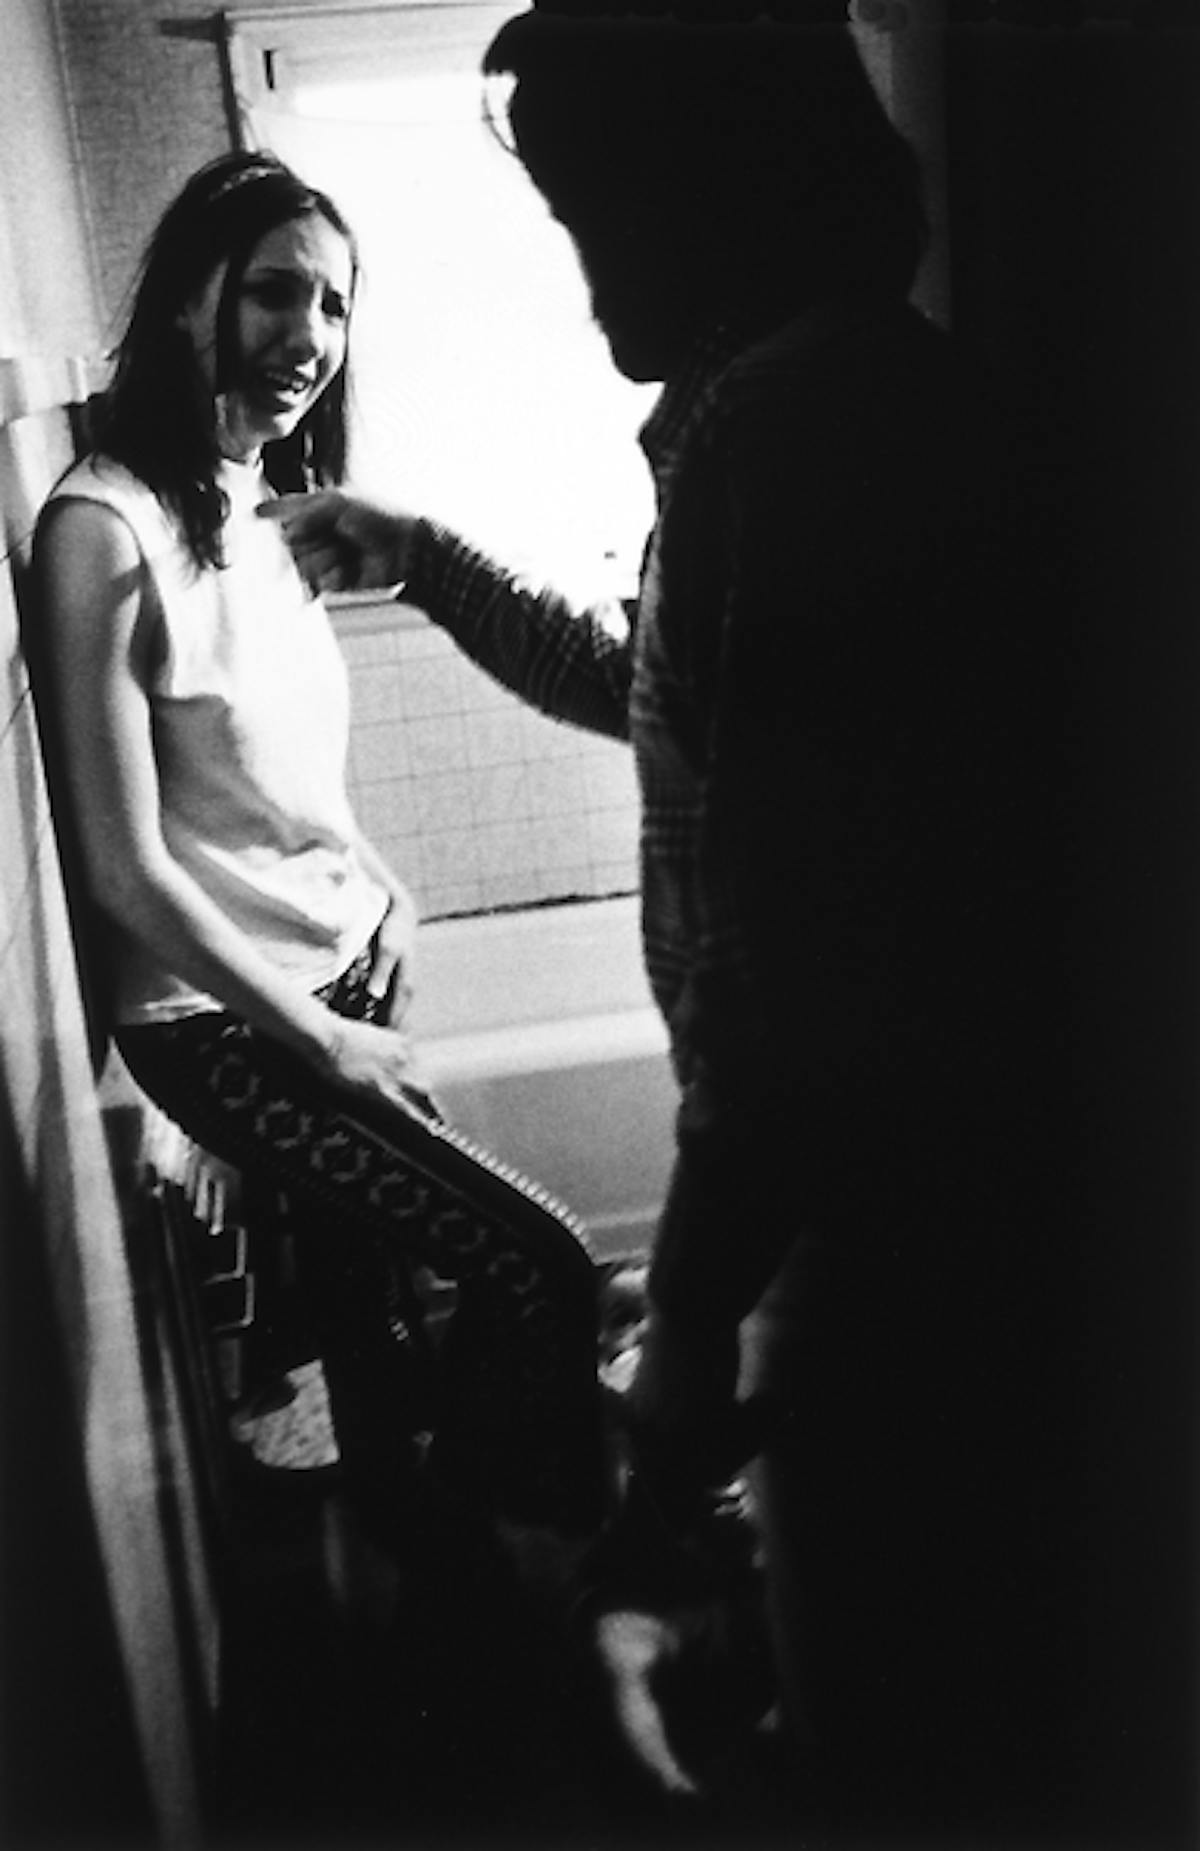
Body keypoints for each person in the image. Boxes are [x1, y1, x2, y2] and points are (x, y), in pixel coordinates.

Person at [263, 6, 1081, 1839]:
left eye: (592, 211)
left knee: (891, 1744)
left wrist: (696, 1328)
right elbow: (654, 680)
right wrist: (428, 559)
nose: (585, 279)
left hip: (885, 1233)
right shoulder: (792, 406)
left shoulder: (795, 432)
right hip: (876, 1216)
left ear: (716, 187)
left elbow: (792, 983)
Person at [32, 150, 605, 1546]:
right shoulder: (102, 531)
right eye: (276, 293)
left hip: (338, 963)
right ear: (189, 299)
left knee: (372, 1295)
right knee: (540, 1264)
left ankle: (419, 1548)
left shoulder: (261, 500)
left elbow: (267, 778)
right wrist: (321, 1039)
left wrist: (381, 887)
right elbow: (122, 868)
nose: (310, 335)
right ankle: (530, 1544)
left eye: (335, 305)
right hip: (229, 1025)